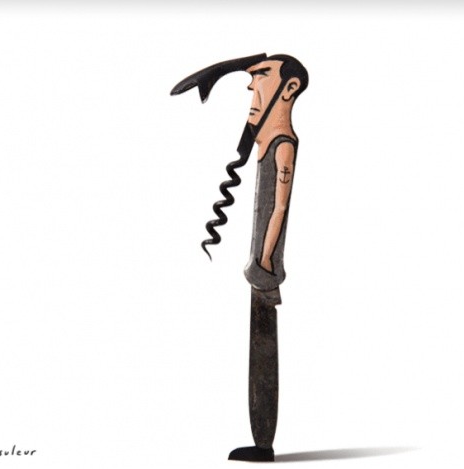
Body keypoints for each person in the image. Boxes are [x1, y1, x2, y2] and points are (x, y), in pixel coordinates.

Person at [171, 53, 309, 462]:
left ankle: (264, 444)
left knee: (262, 337)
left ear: (289, 88)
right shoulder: (268, 142)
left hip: (264, 267)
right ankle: (261, 443)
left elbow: (279, 207)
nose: (251, 87)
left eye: (262, 76)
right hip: (260, 264)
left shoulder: (284, 146)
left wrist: (264, 261)